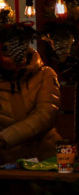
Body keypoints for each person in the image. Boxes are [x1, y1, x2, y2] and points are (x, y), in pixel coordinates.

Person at [0, 30, 62, 164]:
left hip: (45, 156)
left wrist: (5, 138)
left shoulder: (44, 75)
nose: (16, 59)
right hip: (8, 160)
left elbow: (45, 115)